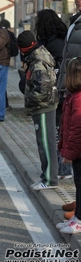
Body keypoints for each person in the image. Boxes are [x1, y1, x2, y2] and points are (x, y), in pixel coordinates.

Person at [16, 30, 59, 191]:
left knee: (46, 143)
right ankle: (47, 175)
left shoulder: (38, 62)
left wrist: (29, 100)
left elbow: (42, 89)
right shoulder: (38, 55)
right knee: (45, 142)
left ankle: (49, 179)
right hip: (45, 105)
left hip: (43, 107)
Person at [35, 9, 73, 186]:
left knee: (58, 131)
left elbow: (59, 65)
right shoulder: (52, 40)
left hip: (56, 90)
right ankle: (60, 168)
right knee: (58, 130)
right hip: (55, 90)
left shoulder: (54, 42)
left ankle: (63, 170)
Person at [56, 57, 81, 234]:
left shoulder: (78, 98)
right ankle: (77, 217)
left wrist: (69, 153)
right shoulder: (73, 96)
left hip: (79, 151)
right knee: (78, 184)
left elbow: (77, 129)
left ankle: (79, 220)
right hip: (77, 151)